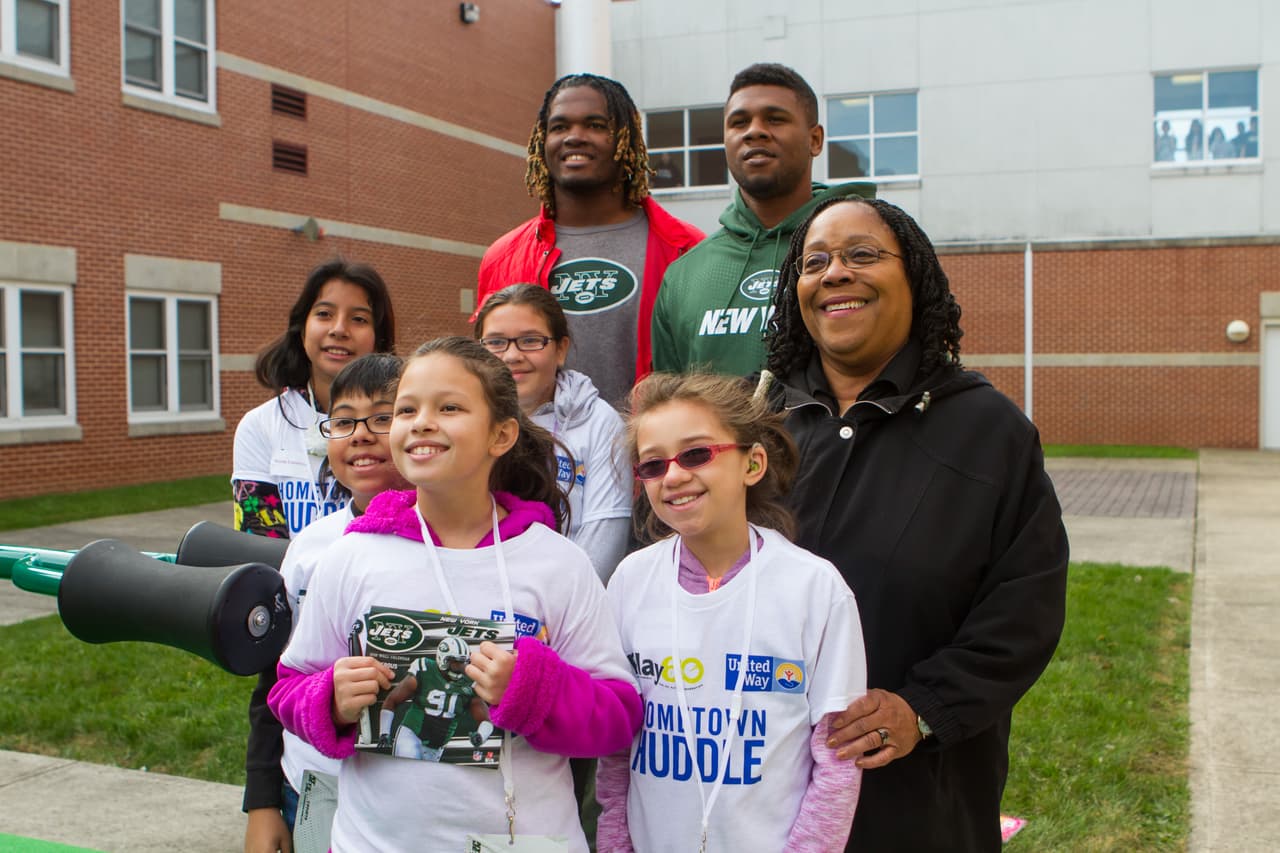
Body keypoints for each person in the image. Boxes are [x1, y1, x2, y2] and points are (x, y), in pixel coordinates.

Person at [763, 196, 1069, 851]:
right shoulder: (756, 426)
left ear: (917, 278)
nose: (836, 273)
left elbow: (1025, 610)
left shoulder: (988, 432)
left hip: (916, 794)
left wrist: (922, 708)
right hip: (761, 786)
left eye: (863, 255)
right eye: (815, 262)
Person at [267, 336, 642, 852]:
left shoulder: (557, 563)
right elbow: (289, 687)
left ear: (502, 434)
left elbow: (618, 717)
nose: (421, 422)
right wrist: (328, 699)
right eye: (406, 409)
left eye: (449, 407)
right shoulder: (351, 557)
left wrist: (532, 690)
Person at [596, 372, 867, 852]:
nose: (674, 476)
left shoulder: (815, 588)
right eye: (653, 465)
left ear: (753, 463)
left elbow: (837, 761)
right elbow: (617, 752)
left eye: (696, 454)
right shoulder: (629, 582)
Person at [243, 353, 408, 853]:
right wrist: (263, 799)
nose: (360, 434)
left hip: (411, 803)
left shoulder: (460, 545)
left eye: (383, 417)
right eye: (343, 421)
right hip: (313, 786)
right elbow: (273, 677)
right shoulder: (310, 546)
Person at [474, 73, 704, 406]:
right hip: (532, 455)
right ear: (542, 140)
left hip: (651, 453)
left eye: (595, 125)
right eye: (559, 127)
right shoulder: (503, 256)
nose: (575, 137)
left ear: (626, 139)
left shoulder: (685, 249)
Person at [650, 63, 875, 377]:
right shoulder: (683, 276)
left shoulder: (870, 253)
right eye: (739, 122)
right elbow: (671, 405)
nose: (754, 131)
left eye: (775, 119)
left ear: (815, 140)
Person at [474, 283, 631, 583]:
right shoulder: (462, 419)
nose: (511, 356)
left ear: (561, 349)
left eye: (530, 340)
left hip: (567, 600)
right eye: (495, 343)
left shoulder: (598, 420)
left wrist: (555, 603)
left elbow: (605, 536)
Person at [232, 259, 396, 539]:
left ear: (378, 338)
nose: (339, 329)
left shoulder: (405, 418)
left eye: (359, 319)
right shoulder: (259, 426)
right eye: (324, 314)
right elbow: (256, 545)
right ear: (302, 327)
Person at [379, 639, 492, 761]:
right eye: (456, 662)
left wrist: (480, 736)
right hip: (411, 735)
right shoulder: (425, 670)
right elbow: (392, 700)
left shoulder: (469, 683)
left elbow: (486, 720)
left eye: (463, 662)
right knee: (408, 770)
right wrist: (384, 733)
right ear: (443, 659)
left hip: (436, 747)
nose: (460, 667)